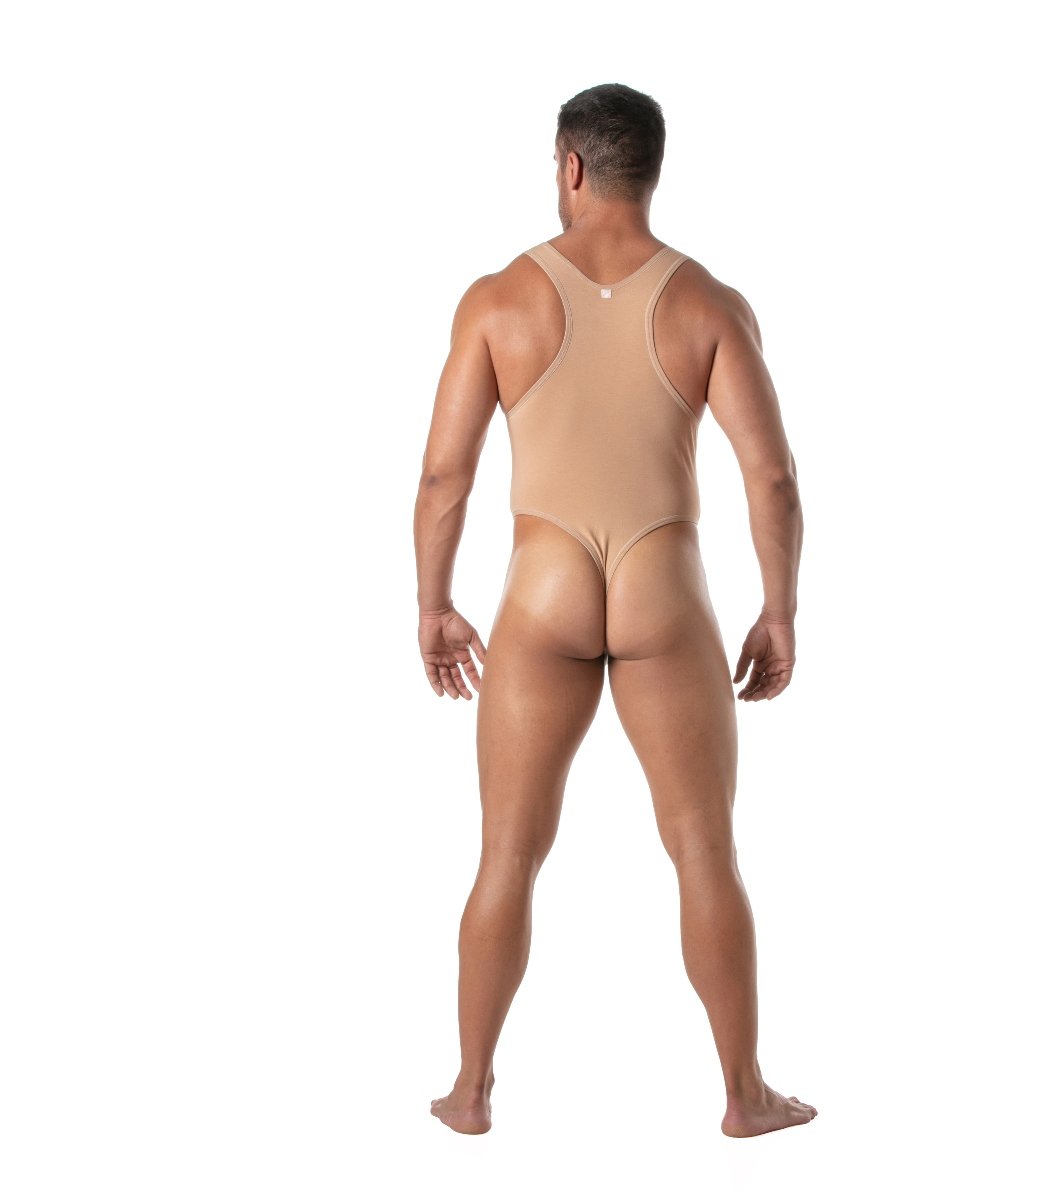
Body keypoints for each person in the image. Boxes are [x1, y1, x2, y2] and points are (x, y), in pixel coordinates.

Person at [414, 83, 813, 1138]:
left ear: (572, 166)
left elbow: (445, 478)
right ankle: (745, 1095)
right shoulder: (709, 304)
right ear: (651, 168)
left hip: (541, 589)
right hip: (661, 589)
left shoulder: (497, 299)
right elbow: (771, 478)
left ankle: (470, 1091)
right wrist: (779, 611)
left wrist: (434, 605)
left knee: (507, 854)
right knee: (704, 850)